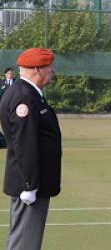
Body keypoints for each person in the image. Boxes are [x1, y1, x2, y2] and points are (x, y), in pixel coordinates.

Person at [0, 48, 61, 250]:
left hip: (32, 181)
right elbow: (25, 144)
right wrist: (30, 185)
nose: (52, 70)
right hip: (30, 184)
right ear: (37, 69)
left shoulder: (28, 93)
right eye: (49, 67)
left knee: (23, 240)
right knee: (25, 243)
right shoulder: (25, 97)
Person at [0, 67, 16, 148]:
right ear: (5, 74)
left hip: (14, 107)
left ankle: (14, 138)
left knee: (14, 122)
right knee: (5, 123)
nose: (10, 75)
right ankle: (6, 139)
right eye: (9, 73)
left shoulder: (17, 82)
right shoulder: (1, 83)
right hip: (3, 107)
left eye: (12, 73)